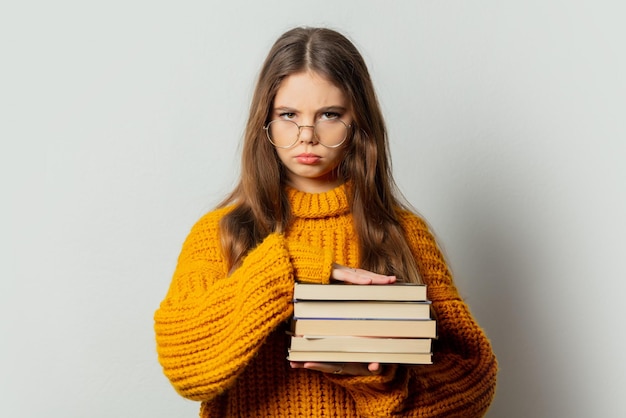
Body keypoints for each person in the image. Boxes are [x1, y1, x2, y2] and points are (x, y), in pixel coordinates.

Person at [154, 26, 498, 417]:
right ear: (265, 122)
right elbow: (184, 367)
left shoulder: (403, 235)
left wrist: (383, 380)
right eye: (288, 115)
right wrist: (287, 269)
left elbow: (475, 384)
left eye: (329, 114)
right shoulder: (221, 233)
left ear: (358, 123)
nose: (307, 136)